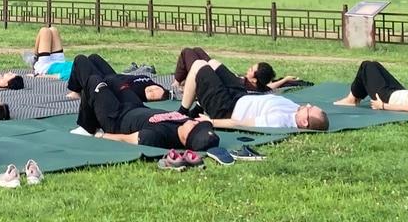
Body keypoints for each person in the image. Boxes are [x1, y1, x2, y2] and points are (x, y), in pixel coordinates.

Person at [73, 71, 218, 151]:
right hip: (135, 106)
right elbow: (203, 122)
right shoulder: (186, 123)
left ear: (187, 138)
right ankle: (95, 109)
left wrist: (101, 137)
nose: (194, 123)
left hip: (116, 118)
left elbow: (125, 139)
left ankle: (87, 127)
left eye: (194, 126)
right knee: (112, 79)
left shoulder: (157, 137)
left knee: (93, 80)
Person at [180, 58, 329, 131]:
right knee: (213, 63)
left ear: (304, 122)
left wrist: (211, 122)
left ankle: (181, 113)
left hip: (226, 109)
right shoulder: (296, 110)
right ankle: (197, 108)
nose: (308, 105)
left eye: (309, 109)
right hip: (240, 96)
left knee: (199, 64)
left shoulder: (279, 120)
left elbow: (240, 124)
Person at [173, 46, 299, 93]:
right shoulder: (259, 86)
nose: (248, 70)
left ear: (255, 80)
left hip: (211, 76)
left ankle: (178, 81)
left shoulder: (243, 85)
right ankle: (183, 79)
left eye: (251, 70)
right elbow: (270, 86)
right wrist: (286, 79)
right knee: (197, 50)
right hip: (215, 69)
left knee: (187, 52)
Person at [65, 54, 169, 103]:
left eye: (151, 95)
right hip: (113, 76)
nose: (152, 90)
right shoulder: (148, 81)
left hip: (103, 84)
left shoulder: (134, 95)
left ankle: (76, 91)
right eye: (156, 89)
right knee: (93, 57)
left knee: (80, 60)